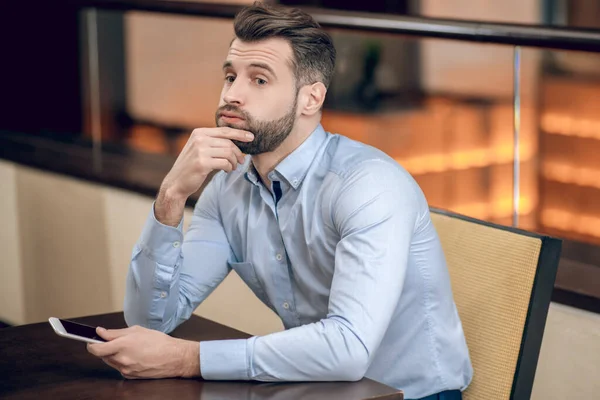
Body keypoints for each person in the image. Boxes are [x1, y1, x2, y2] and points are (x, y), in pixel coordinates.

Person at [87, 2, 473, 399]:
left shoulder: (367, 185)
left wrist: (189, 358)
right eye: (230, 76)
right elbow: (151, 321)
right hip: (317, 389)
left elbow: (348, 349)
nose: (232, 95)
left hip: (412, 394)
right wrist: (171, 196)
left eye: (259, 80)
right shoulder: (228, 186)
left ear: (311, 99)